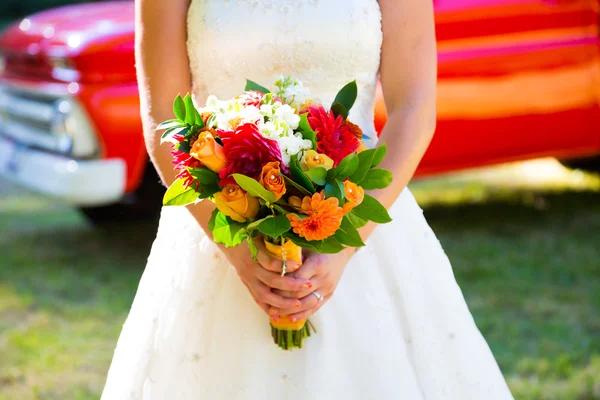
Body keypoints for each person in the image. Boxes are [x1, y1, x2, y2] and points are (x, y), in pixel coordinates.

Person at [101, 0, 515, 398]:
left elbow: (415, 109)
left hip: (361, 223)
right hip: (217, 226)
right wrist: (242, 254)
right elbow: (163, 119)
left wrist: (342, 247)